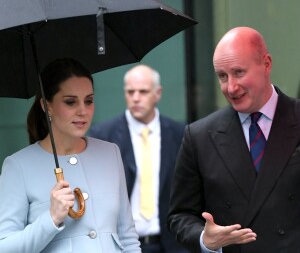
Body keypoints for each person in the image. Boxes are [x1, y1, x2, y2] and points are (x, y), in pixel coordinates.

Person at [167, 26, 300, 253]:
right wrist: (204, 239)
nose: (231, 87)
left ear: (266, 64)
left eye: (239, 72)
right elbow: (180, 215)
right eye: (222, 76)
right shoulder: (199, 136)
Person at [0, 58, 141, 253]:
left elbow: (128, 236)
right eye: (70, 102)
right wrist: (51, 219)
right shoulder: (18, 166)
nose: (83, 111)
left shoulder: (110, 153)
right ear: (46, 106)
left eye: (89, 101)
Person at [89, 64, 188, 253]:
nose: (135, 98)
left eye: (143, 91)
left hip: (172, 244)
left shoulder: (180, 134)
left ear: (157, 93)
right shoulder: (102, 135)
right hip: (123, 245)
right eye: (130, 92)